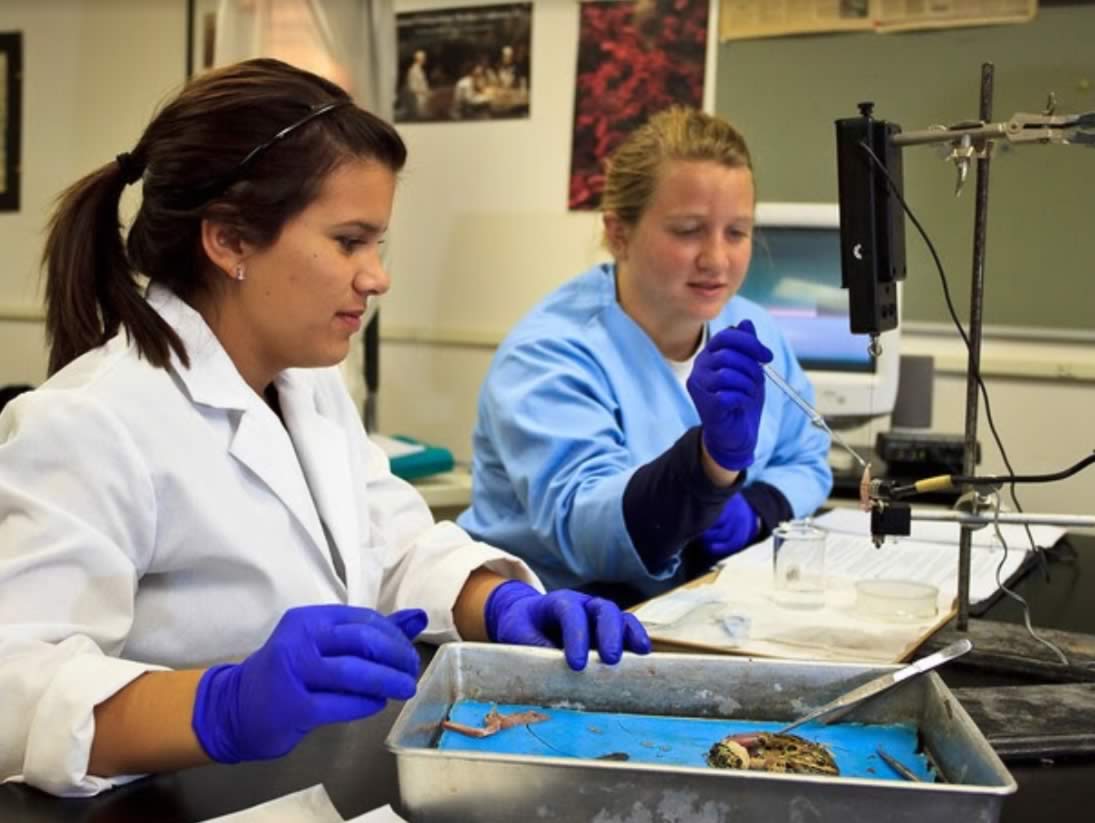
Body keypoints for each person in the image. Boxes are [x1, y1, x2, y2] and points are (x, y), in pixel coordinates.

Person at [0, 59, 649, 797]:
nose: (377, 276)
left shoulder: (304, 382)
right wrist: (222, 704)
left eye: (378, 244)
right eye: (349, 241)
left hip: (308, 787)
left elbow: (391, 545)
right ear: (229, 240)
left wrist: (500, 605)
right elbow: (14, 689)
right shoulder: (88, 421)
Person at [458, 107, 833, 605]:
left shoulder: (752, 331)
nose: (716, 259)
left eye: (737, 232)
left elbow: (806, 457)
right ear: (619, 234)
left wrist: (759, 508)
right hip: (559, 618)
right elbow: (589, 533)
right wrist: (706, 469)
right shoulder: (548, 355)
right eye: (688, 230)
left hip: (693, 608)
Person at [404, 49, 431, 119]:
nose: (425, 60)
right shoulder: (413, 71)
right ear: (420, 59)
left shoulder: (419, 70)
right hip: (417, 100)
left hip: (423, 99)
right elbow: (412, 88)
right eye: (424, 58)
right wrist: (425, 92)